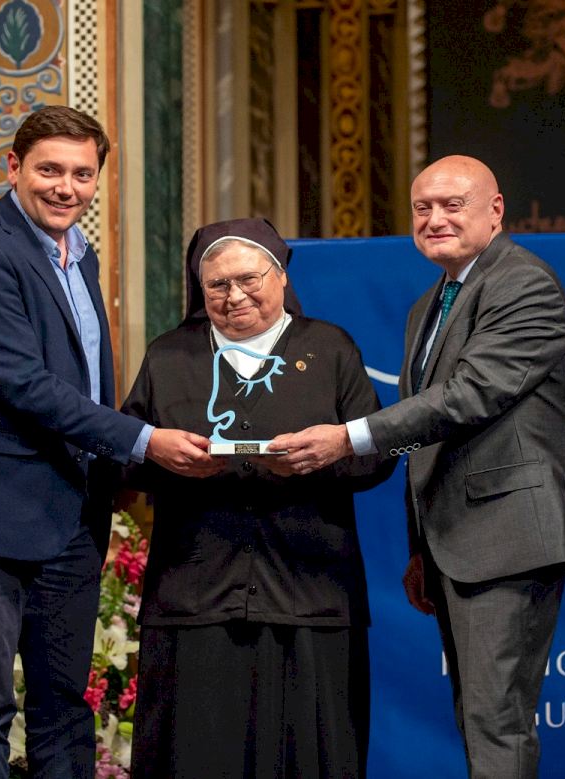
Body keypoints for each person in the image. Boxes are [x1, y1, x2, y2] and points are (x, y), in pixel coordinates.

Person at [0, 106, 219, 778]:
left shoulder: (80, 254)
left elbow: (86, 383)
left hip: (71, 518)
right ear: (13, 168)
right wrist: (143, 440)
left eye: (82, 174)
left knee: (64, 709)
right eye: (50, 170)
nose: (66, 187)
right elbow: (26, 386)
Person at [272, 156, 565, 778]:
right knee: (477, 716)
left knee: (497, 721)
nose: (435, 219)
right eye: (422, 208)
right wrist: (423, 549)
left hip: (507, 540)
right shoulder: (431, 303)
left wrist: (349, 438)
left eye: (452, 205)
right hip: (456, 543)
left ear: (495, 210)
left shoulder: (524, 284)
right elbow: (432, 440)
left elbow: (469, 397)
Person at [121, 218, 395, 778]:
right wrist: (161, 455)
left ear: (281, 276)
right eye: (217, 285)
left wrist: (327, 454)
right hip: (194, 599)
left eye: (249, 279)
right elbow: (123, 456)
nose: (235, 296)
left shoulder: (330, 348)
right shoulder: (169, 355)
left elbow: (380, 454)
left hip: (309, 593)